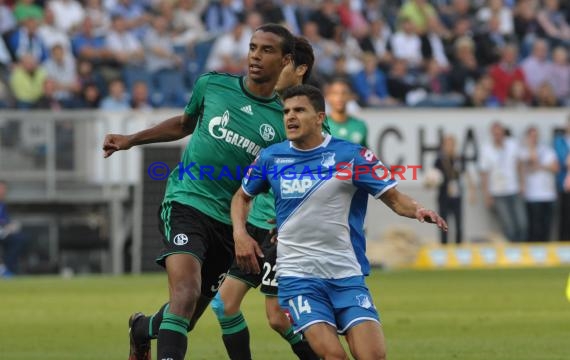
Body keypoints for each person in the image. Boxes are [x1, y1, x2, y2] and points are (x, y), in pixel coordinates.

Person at [102, 24, 296, 360]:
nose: (255, 56)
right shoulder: (213, 85)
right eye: (253, 47)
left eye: (266, 50)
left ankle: (141, 328)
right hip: (186, 201)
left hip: (230, 223)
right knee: (185, 292)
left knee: (186, 317)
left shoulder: (282, 121)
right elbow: (183, 124)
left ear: (285, 60)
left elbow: (279, 182)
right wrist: (131, 139)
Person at [231, 84, 447, 359]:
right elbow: (241, 197)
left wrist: (418, 210)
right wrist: (240, 232)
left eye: (299, 110)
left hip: (346, 275)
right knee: (334, 356)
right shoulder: (272, 156)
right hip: (299, 276)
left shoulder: (352, 156)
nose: (290, 117)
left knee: (374, 356)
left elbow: (393, 198)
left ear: (320, 117)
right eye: (286, 111)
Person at [211, 36, 319, 360]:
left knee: (276, 316)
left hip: (279, 230)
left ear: (298, 69)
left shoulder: (302, 113)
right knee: (225, 305)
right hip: (257, 222)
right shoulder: (267, 105)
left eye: (283, 62)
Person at [479, 121, 527, 242]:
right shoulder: (486, 149)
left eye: (500, 133)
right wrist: (486, 194)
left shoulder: (513, 145)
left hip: (514, 189)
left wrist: (522, 183)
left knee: (522, 223)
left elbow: (520, 165)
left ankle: (522, 249)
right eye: (495, 134)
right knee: (508, 225)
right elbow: (484, 174)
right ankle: (513, 252)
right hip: (498, 191)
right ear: (492, 134)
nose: (498, 136)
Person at [433, 135, 474, 244]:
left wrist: (472, 191)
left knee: (459, 222)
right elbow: (433, 176)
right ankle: (444, 245)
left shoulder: (459, 159)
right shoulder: (439, 160)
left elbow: (466, 174)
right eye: (447, 145)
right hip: (444, 196)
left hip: (457, 195)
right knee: (443, 222)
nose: (450, 147)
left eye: (452, 145)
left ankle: (458, 246)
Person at [520, 126, 558, 242]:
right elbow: (532, 160)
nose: (534, 138)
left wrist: (540, 167)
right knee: (535, 227)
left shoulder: (546, 149)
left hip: (548, 194)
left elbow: (555, 167)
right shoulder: (523, 151)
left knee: (546, 226)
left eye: (535, 136)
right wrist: (530, 147)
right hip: (532, 195)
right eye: (531, 136)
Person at [325, 78, 368, 146]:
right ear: (328, 97)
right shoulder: (320, 126)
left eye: (344, 93)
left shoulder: (360, 126)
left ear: (350, 96)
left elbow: (365, 154)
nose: (340, 97)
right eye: (335, 93)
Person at [0, 180, 26, 277]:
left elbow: (5, 221)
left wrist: (10, 226)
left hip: (2, 233)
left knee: (19, 239)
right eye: (1, 188)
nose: (2, 191)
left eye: (4, 189)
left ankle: (8, 268)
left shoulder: (2, 205)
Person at [554, 116, 570, 241]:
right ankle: (564, 244)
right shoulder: (559, 141)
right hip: (564, 184)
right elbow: (563, 161)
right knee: (565, 216)